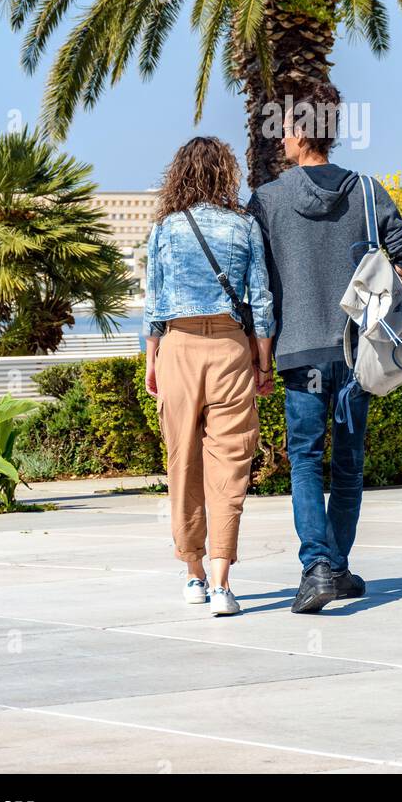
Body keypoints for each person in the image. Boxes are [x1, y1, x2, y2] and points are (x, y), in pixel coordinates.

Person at [248, 82, 402, 613]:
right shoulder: (368, 192)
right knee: (348, 463)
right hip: (357, 352)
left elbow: (254, 279)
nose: (280, 136)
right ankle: (338, 566)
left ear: (302, 133)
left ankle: (318, 568)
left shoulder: (267, 200)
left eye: (284, 127)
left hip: (298, 352)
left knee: (305, 459)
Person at [144, 136, 275, 616]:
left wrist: (151, 359)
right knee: (231, 463)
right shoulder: (245, 227)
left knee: (181, 462)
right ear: (227, 174)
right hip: (230, 348)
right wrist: (262, 362)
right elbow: (260, 300)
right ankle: (222, 583)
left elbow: (154, 303)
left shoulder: (166, 229)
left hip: (177, 346)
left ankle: (193, 573)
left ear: (179, 174)